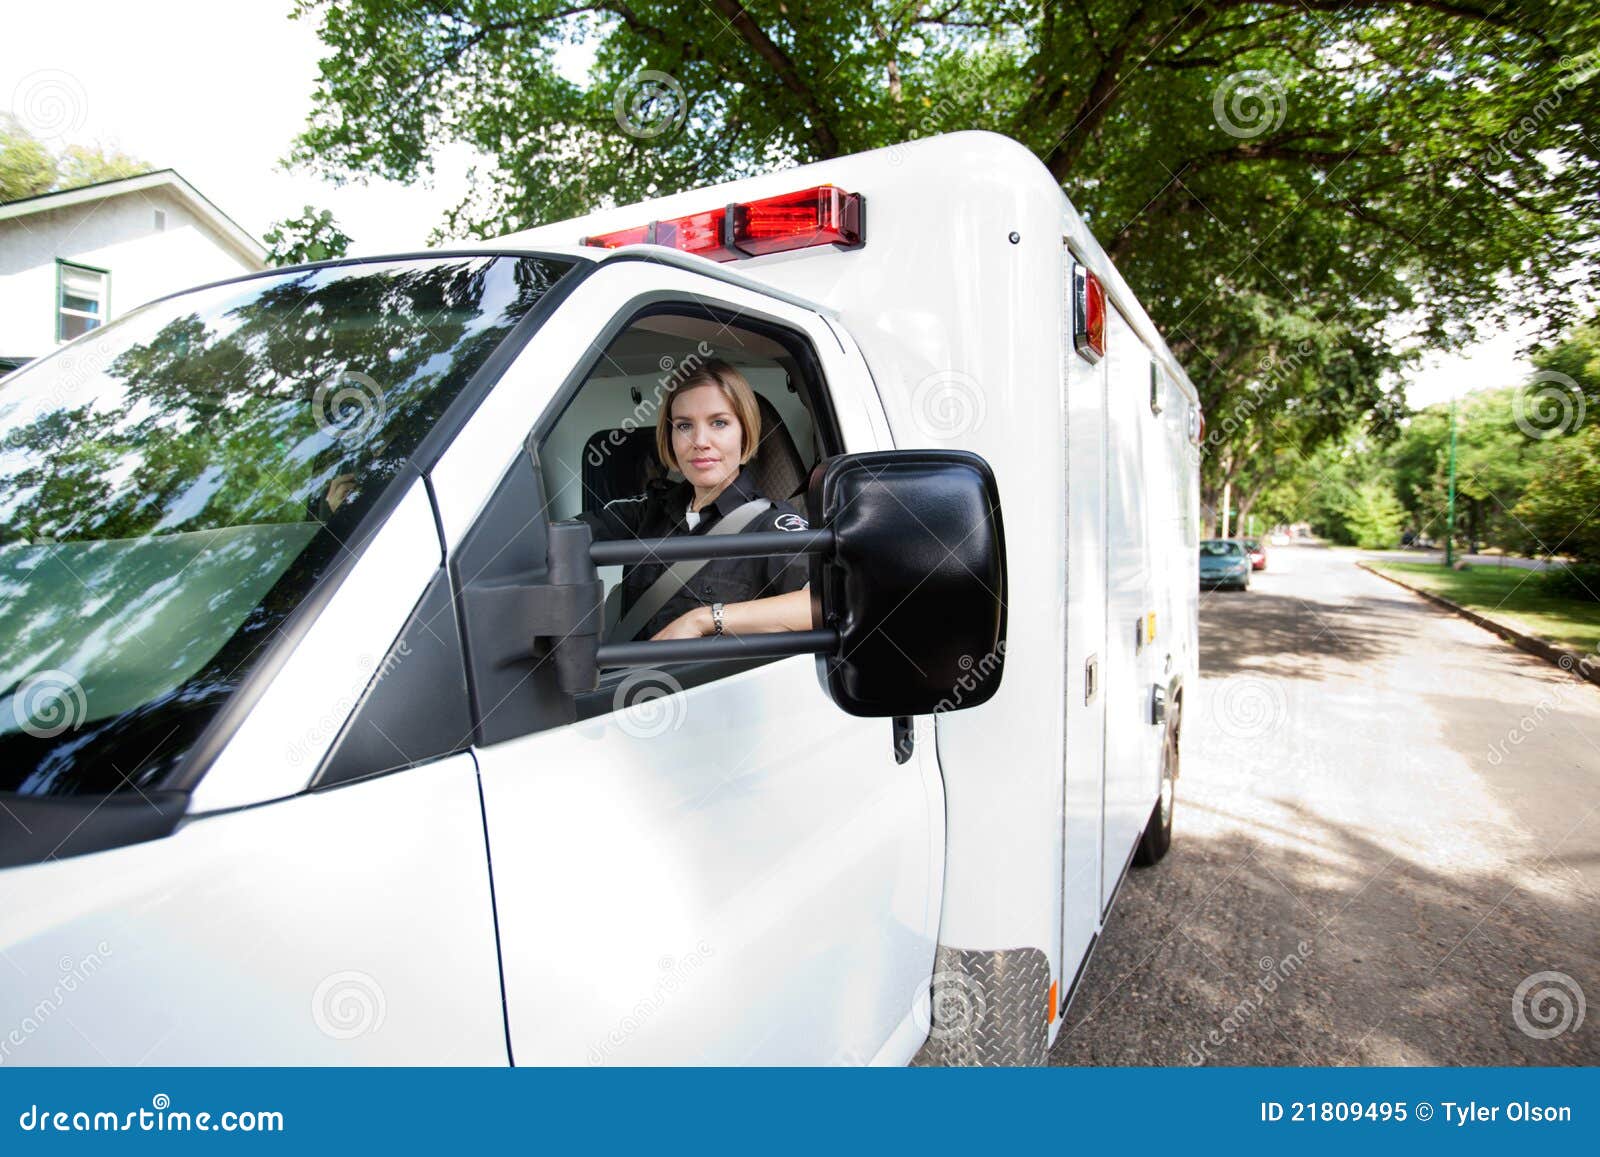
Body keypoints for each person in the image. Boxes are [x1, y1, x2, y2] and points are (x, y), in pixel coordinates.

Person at [578, 360, 814, 642]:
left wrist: (702, 620)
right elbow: (559, 536)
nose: (700, 441)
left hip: (704, 686)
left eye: (719, 423)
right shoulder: (651, 510)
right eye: (684, 425)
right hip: (624, 680)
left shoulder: (770, 525)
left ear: (745, 432)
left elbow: (823, 604)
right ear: (670, 437)